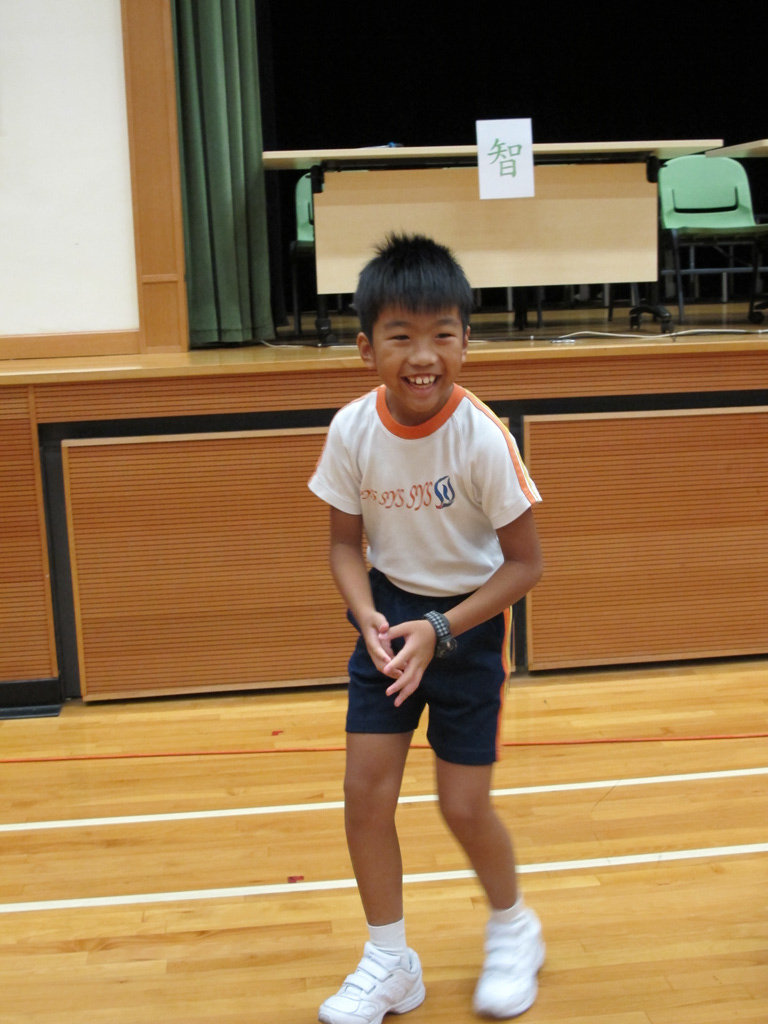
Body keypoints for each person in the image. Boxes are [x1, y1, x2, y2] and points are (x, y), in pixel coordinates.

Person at [308, 233, 545, 1023]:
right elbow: (345, 547)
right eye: (400, 336)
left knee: (463, 805)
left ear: (465, 342)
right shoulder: (351, 430)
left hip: (466, 628)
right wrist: (366, 614)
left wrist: (440, 630)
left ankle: (514, 927)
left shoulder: (482, 437)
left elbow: (525, 566)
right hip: (389, 621)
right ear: (365, 347)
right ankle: (390, 962)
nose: (422, 356)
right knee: (364, 793)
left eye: (442, 334)